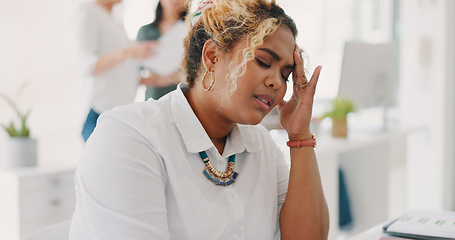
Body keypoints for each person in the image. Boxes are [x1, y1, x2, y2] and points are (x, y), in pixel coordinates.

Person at [69, 0, 330, 239]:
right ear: (212, 56)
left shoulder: (261, 145)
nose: (277, 83)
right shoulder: (129, 138)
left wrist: (300, 135)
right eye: (263, 61)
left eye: (285, 75)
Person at [74, 0, 157, 141]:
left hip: (118, 112)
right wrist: (128, 53)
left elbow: (123, 72)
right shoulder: (88, 12)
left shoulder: (114, 18)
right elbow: (88, 66)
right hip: (99, 112)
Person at [136, 0, 188, 100]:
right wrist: (158, 80)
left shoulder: (191, 30)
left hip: (183, 97)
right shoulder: (145, 32)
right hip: (155, 97)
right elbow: (132, 74)